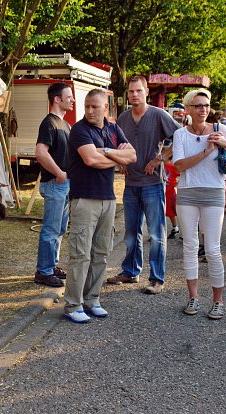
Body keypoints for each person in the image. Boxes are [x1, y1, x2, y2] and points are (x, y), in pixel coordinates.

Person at [172, 89, 226, 320]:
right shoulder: (181, 135)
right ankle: (193, 297)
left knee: (213, 249)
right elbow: (179, 165)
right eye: (198, 105)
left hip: (214, 193)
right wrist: (206, 152)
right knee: (190, 246)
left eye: (206, 105)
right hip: (187, 193)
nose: (203, 109)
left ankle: (218, 301)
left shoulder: (219, 129)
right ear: (188, 109)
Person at [64, 89, 136, 323]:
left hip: (108, 199)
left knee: (101, 253)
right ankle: (73, 305)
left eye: (95, 106)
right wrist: (116, 158)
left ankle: (92, 299)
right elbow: (90, 159)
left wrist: (105, 151)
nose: (89, 110)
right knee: (80, 255)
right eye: (87, 106)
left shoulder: (113, 129)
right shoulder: (79, 130)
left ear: (106, 107)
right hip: (84, 199)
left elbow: (133, 157)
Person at [106, 76, 181, 295]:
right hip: (131, 183)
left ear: (146, 92)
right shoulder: (123, 118)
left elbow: (181, 136)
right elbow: (115, 144)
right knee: (131, 232)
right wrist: (120, 160)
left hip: (153, 183)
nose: (134, 95)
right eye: (131, 91)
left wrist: (160, 158)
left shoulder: (158, 115)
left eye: (138, 91)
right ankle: (130, 271)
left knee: (156, 233)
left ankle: (157, 278)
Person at [33, 82, 75, 287]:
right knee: (51, 229)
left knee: (60, 229)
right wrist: (59, 173)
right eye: (69, 96)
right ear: (57, 99)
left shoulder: (65, 124)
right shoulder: (49, 123)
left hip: (65, 185)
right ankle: (43, 271)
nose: (72, 100)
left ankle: (52, 265)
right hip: (55, 184)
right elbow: (40, 153)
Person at [164, 160, 180, 239]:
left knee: (171, 212)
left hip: (170, 192)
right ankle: (158, 232)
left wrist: (177, 183)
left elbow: (181, 173)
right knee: (159, 212)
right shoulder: (157, 165)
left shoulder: (171, 166)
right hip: (160, 192)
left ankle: (175, 227)